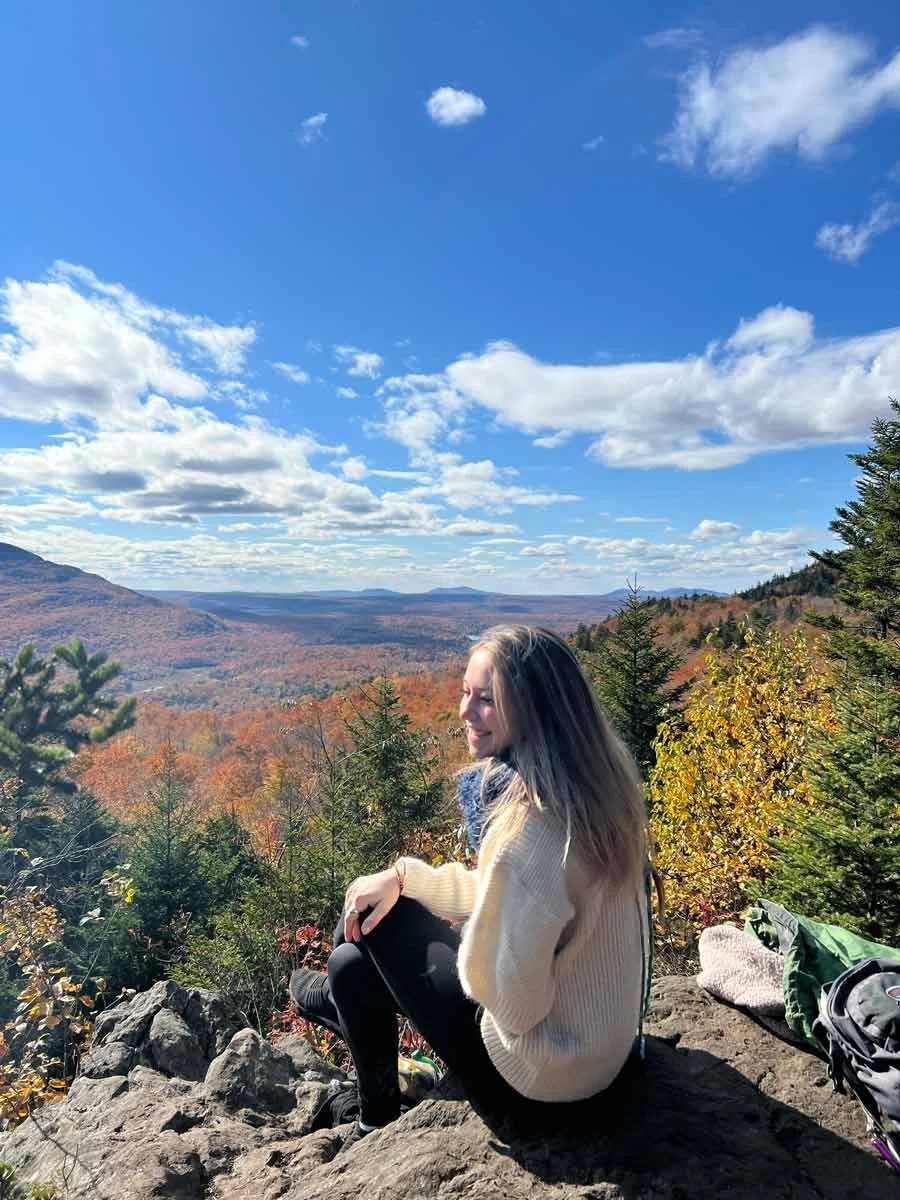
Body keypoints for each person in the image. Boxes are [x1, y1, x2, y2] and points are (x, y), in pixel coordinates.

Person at [290, 624, 651, 1148]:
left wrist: (458, 948)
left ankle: (345, 1001)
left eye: (485, 700)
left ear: (535, 712)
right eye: (465, 692)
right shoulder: (598, 792)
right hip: (600, 1062)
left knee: (375, 926)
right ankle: (368, 1098)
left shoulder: (528, 830)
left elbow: (514, 1005)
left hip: (540, 1089)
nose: (464, 711)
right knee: (356, 956)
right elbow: (508, 890)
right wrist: (404, 877)